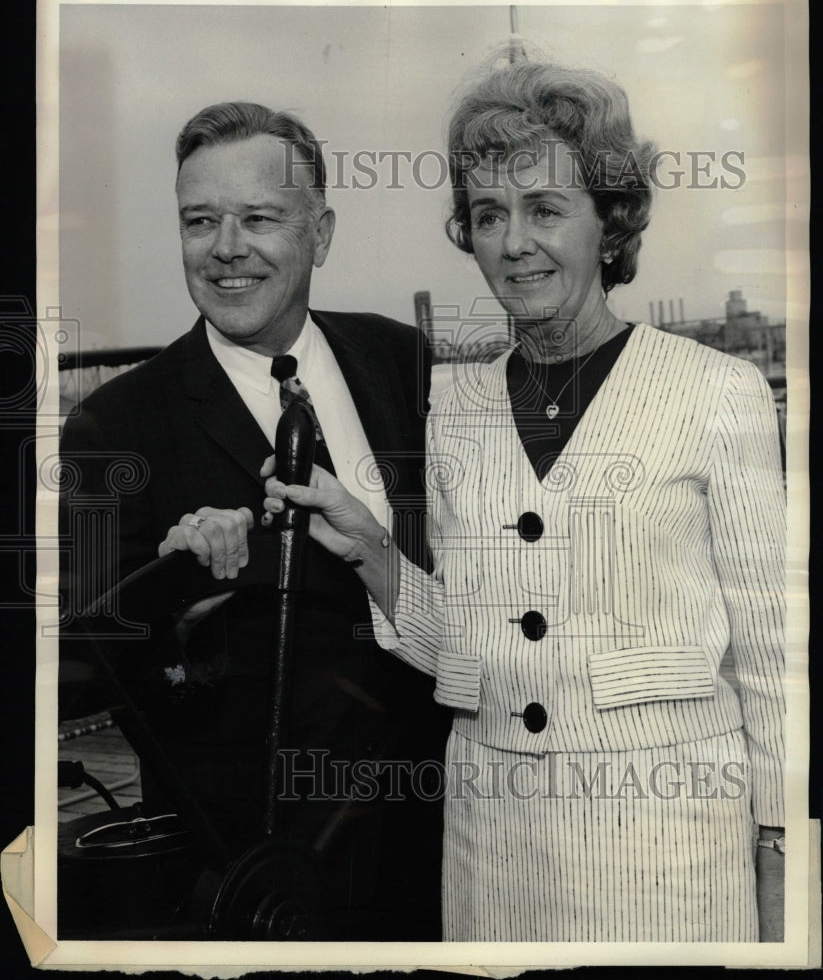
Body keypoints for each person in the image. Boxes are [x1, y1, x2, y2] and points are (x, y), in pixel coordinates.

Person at [262, 61, 786, 942]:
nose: (514, 243)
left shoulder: (716, 390)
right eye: (489, 215)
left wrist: (780, 851)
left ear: (608, 225)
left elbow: (774, 659)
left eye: (546, 209)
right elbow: (463, 651)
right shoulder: (452, 405)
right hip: (493, 852)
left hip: (670, 855)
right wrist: (373, 553)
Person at [59, 102, 448, 940]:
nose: (226, 248)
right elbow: (90, 669)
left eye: (259, 218)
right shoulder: (115, 427)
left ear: (321, 233)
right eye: (200, 221)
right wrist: (177, 604)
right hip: (260, 876)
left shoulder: (398, 359)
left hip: (441, 838)